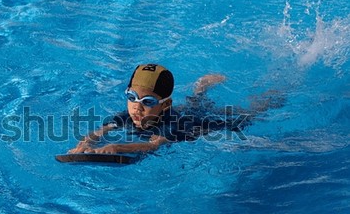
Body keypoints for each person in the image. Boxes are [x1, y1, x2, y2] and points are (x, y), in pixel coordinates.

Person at [68, 63, 280, 154]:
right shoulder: (128, 115)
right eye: (131, 97)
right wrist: (83, 145)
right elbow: (99, 132)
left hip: (198, 123)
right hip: (185, 111)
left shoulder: (172, 126)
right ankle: (200, 90)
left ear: (165, 104)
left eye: (148, 102)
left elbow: (152, 146)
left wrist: (117, 148)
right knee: (194, 104)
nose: (137, 108)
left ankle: (272, 96)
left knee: (245, 118)